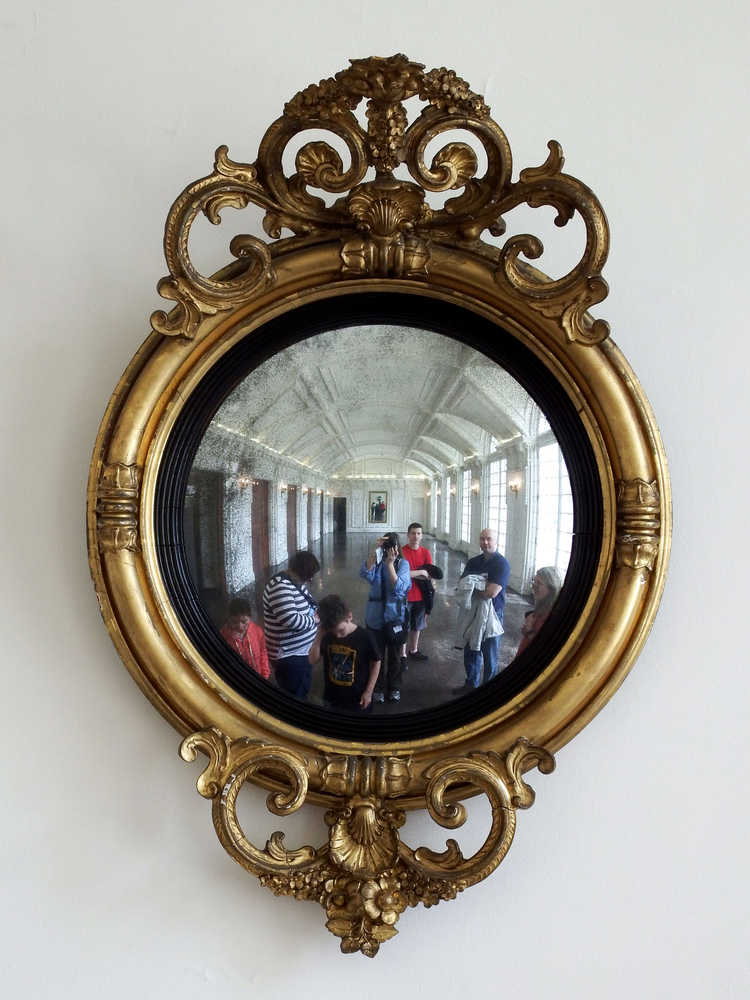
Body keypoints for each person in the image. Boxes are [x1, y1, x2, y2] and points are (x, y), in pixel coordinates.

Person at [453, 528, 511, 693]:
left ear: (496, 541)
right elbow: (461, 584)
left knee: (489, 654)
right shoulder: (473, 562)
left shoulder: (501, 564)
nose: (485, 542)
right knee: (471, 650)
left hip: (493, 614)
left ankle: (487, 692)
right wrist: (481, 585)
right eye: (482, 539)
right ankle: (470, 684)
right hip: (472, 613)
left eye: (489, 539)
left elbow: (491, 593)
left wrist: (474, 586)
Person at [359, 532, 411, 702]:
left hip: (395, 617)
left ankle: (394, 687)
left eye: (391, 546)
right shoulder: (377, 562)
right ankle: (378, 687)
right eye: (386, 546)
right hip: (375, 617)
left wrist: (390, 565)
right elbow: (366, 574)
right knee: (377, 655)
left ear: (397, 547)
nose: (389, 550)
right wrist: (375, 552)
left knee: (395, 656)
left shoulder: (403, 564)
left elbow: (400, 589)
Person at [262, 550, 320, 699]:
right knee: (295, 697)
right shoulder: (280, 587)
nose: (311, 579)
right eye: (309, 576)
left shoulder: (294, 582)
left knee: (302, 689)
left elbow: (308, 604)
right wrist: (314, 620)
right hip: (289, 657)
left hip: (300, 654)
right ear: (301, 572)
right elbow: (291, 620)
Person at [308, 594, 381, 711]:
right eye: (333, 631)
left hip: (358, 698)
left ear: (349, 616)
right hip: (332, 698)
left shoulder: (365, 637)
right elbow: (312, 660)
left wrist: (369, 691)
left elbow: (376, 662)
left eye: (341, 630)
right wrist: (319, 636)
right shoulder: (327, 634)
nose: (337, 635)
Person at [399, 522, 433, 662]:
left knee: (417, 625)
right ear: (408, 535)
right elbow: (400, 575)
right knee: (403, 626)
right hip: (405, 596)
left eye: (418, 533)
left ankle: (413, 650)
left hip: (421, 596)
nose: (415, 536)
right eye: (413, 533)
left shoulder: (425, 552)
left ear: (422, 536)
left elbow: (430, 575)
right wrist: (420, 572)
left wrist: (410, 574)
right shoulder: (401, 551)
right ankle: (402, 655)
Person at [515, 566, 562, 657]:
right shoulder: (541, 606)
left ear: (551, 589)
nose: (534, 586)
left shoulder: (553, 613)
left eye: (539, 583)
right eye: (534, 581)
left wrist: (529, 630)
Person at [219, 598, 270, 679]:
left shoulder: (257, 631)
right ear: (228, 618)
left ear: (250, 618)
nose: (240, 626)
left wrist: (265, 674)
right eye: (234, 622)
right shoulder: (223, 636)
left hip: (259, 678)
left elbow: (263, 652)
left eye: (244, 621)